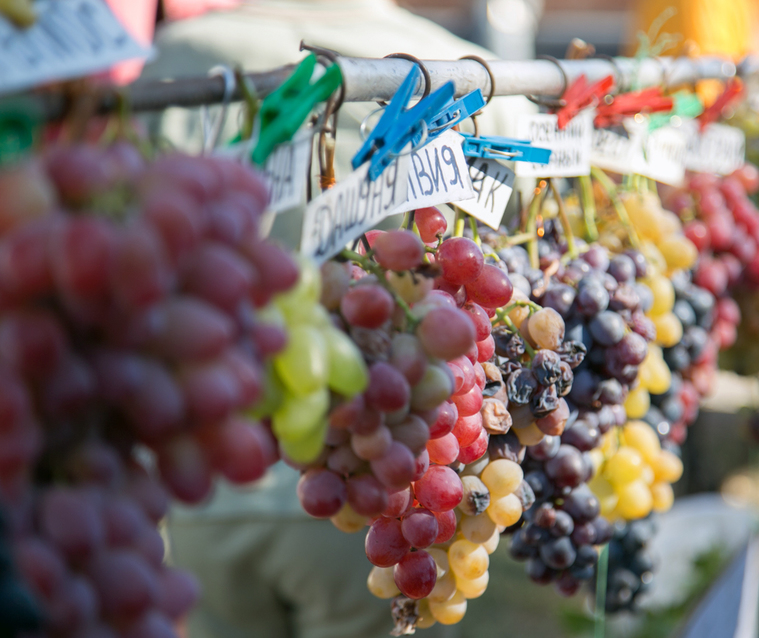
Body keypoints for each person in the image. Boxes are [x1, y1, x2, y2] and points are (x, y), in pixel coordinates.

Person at [137, 3, 531, 637]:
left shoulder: (185, 57)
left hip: (218, 482)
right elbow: (497, 265)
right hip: (382, 484)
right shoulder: (470, 72)